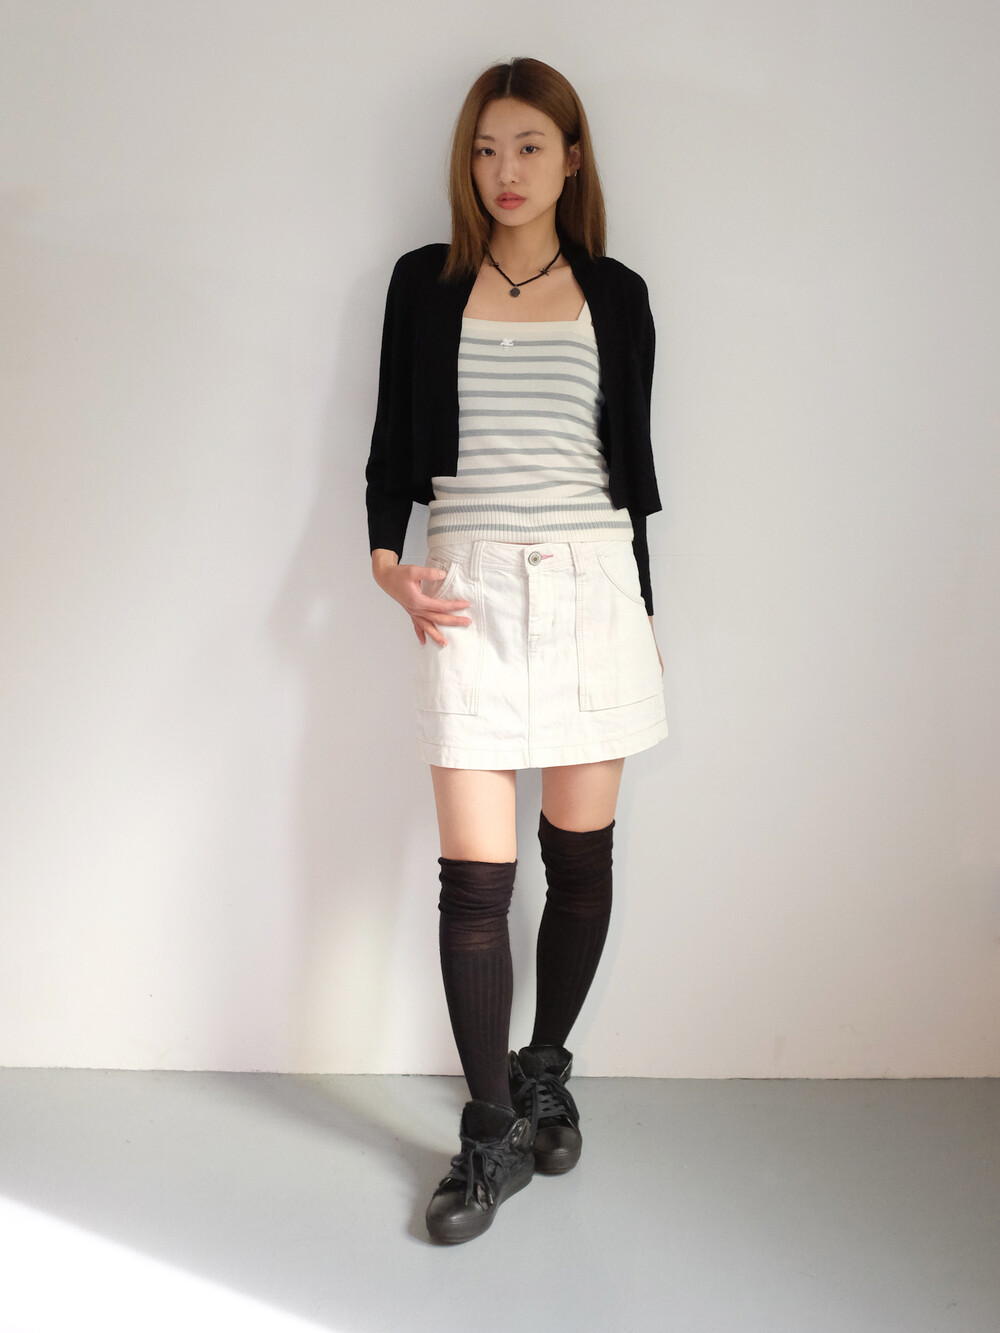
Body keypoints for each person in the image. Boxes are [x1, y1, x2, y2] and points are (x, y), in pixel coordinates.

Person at [365, 57, 667, 1244]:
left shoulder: (617, 294)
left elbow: (628, 475)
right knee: (476, 880)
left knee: (578, 860)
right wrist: (387, 567)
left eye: (529, 147)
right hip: (470, 588)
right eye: (486, 149)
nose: (505, 170)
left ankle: (545, 1069)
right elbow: (390, 448)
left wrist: (641, 616)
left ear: (570, 158)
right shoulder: (424, 283)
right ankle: (489, 1131)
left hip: (593, 584)